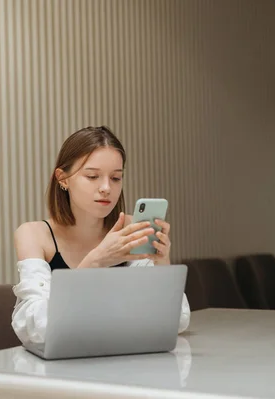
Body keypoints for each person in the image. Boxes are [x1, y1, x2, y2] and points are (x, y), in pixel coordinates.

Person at [11, 126, 190, 345]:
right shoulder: (34, 235)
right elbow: (33, 329)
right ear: (62, 178)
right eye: (92, 176)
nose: (106, 188)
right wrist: (95, 261)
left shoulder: (130, 229)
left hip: (126, 364)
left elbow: (177, 322)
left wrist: (162, 264)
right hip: (60, 370)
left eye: (116, 178)